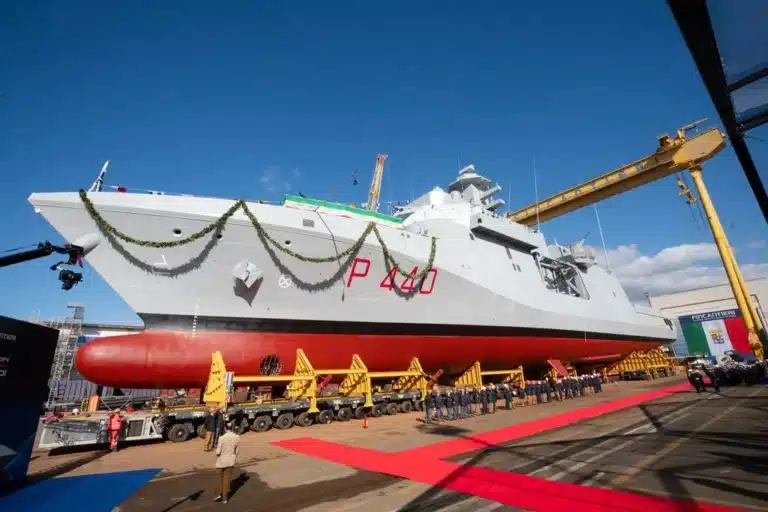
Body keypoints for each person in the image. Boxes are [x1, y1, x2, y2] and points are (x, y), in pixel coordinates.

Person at [213, 421, 240, 504]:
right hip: (230, 461)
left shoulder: (222, 438)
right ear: (232, 428)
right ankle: (225, 498)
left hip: (221, 461)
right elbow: (237, 451)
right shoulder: (237, 437)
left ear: (225, 428)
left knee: (219, 478)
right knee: (227, 479)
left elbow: (218, 452)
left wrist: (216, 452)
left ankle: (218, 494)